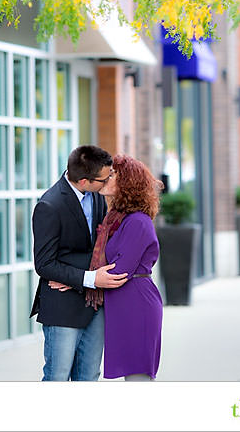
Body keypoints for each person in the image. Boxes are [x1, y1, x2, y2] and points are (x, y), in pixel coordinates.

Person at [52, 154, 164, 380]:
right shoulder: (117, 218)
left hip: (136, 306)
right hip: (123, 305)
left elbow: (118, 272)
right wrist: (79, 277)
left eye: (112, 175)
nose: (105, 178)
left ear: (127, 183)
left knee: (138, 379)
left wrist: (73, 280)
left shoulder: (137, 222)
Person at [31, 145, 129, 381]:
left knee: (89, 376)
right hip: (62, 308)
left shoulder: (96, 195)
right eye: (104, 179)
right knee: (58, 376)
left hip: (94, 305)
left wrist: (77, 274)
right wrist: (89, 277)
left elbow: (96, 247)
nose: (108, 183)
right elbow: (44, 264)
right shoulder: (49, 206)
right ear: (84, 181)